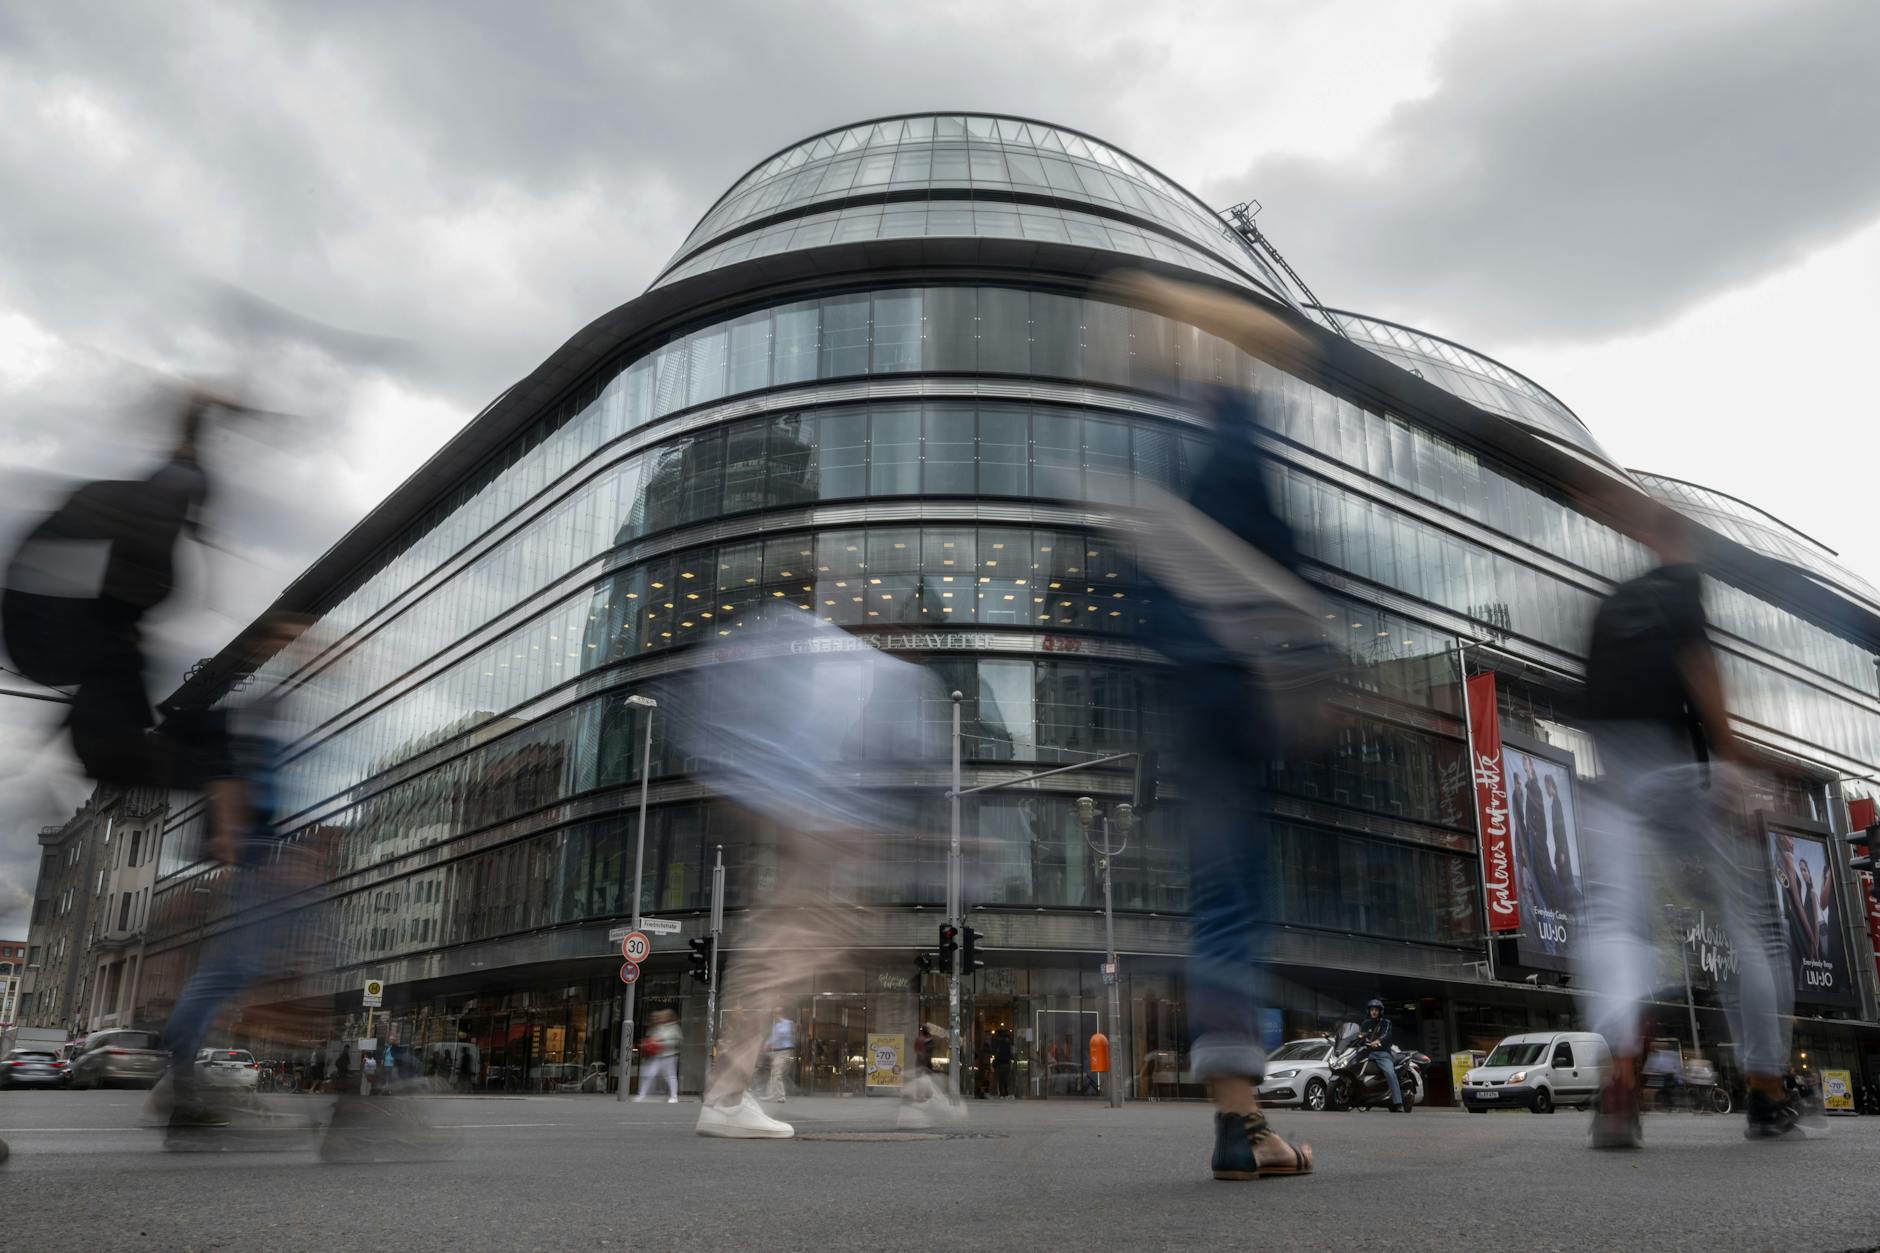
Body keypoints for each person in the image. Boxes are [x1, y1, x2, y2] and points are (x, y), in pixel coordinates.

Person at [1118, 271, 1322, 1180]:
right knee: (1237, 899)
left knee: (1221, 900)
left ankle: (1240, 1122)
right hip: (1233, 692)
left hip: (1190, 696)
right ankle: (1243, 1130)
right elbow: (1277, 575)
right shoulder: (1230, 445)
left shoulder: (1180, 458)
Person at [1573, 498, 1799, 1147]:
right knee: (1749, 926)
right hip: (1685, 766)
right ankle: (1767, 1089)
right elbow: (1698, 666)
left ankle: (1621, 1068)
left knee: (1615, 919)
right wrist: (1732, 760)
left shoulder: (1611, 605)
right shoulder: (1680, 583)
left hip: (1617, 773)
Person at [1358, 999, 1405, 1112]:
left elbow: (1386, 1035)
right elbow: (1360, 1035)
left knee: (1390, 1073)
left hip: (1382, 1054)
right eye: (1372, 1010)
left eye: (1376, 1010)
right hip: (1367, 1053)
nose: (1374, 1012)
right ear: (1369, 1011)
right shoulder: (1365, 1023)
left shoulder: (1386, 1023)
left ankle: (1398, 1103)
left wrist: (1378, 1041)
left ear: (1380, 1011)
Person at [636, 1009, 682, 1104]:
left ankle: (674, 1097)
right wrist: (649, 1043)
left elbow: (677, 1041)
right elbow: (652, 1038)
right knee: (649, 1074)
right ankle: (641, 1095)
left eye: (664, 1016)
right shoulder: (658, 1027)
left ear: (668, 1017)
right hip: (657, 1056)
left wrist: (661, 1042)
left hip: (669, 1055)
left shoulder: (674, 1027)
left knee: (670, 1076)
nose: (661, 1017)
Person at [763, 1012, 795, 1103]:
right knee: (774, 1073)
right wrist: (767, 1044)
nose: (775, 1015)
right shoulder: (776, 1026)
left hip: (784, 1052)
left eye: (777, 1013)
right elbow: (773, 1036)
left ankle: (781, 1096)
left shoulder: (787, 1023)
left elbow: (782, 1034)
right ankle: (770, 1094)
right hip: (777, 1052)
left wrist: (768, 1043)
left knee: (777, 1074)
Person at [991, 1031, 1014, 1099]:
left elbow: (995, 1054)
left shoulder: (998, 1045)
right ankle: (1006, 1093)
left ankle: (1001, 1094)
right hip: (1006, 1064)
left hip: (999, 1064)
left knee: (1000, 1080)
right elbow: (1011, 1055)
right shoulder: (1008, 1045)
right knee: (1006, 1079)